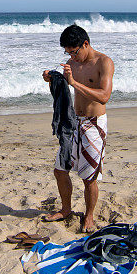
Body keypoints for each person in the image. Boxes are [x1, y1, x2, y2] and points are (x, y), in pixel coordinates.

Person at [42, 24, 114, 233]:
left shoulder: (104, 62)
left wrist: (73, 82)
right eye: (67, 53)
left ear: (85, 44)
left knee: (89, 177)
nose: (71, 57)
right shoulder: (71, 63)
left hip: (94, 123)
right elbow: (63, 90)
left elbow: (104, 96)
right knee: (60, 169)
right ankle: (66, 209)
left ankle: (89, 216)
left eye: (74, 51)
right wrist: (51, 80)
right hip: (73, 122)